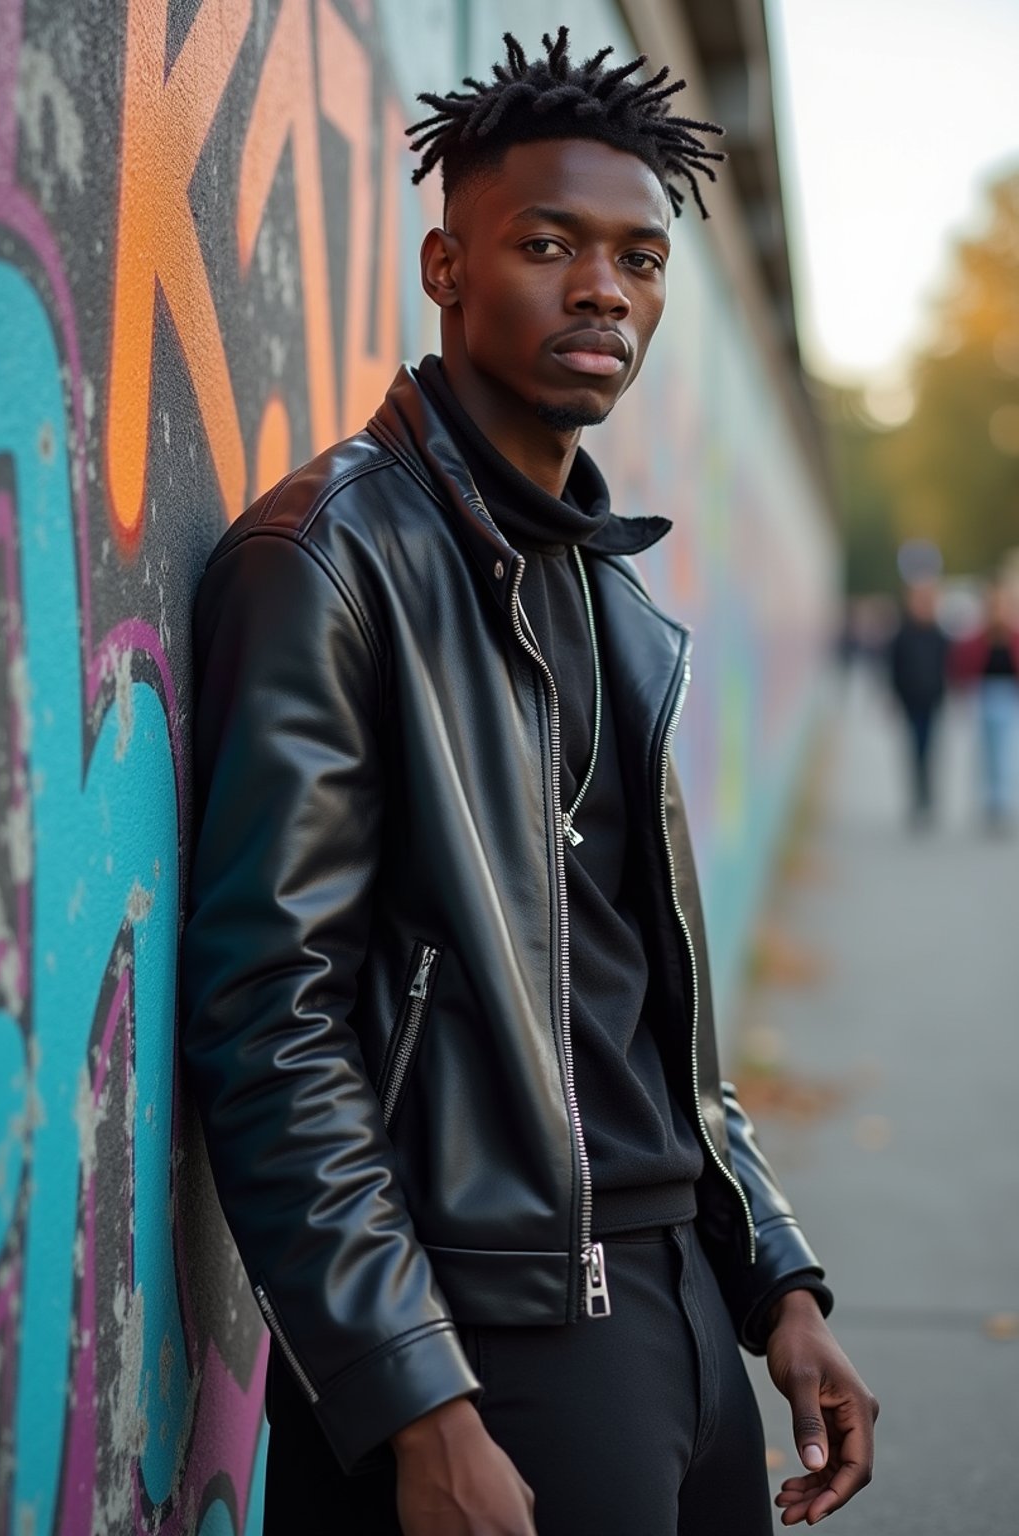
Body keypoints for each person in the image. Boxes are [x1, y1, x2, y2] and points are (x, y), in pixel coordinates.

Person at [181, 29, 877, 1536]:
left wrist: (775, 1276)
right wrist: (412, 1391)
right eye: (548, 245)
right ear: (445, 266)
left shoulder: (616, 601)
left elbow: (651, 1000)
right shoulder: (327, 563)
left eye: (639, 258)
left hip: (679, 1315)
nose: (603, 291)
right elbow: (266, 1018)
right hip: (497, 1335)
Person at [951, 580, 1019, 830]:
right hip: (984, 695)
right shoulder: (979, 638)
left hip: (1009, 697)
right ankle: (988, 800)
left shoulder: (1013, 637)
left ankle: (1002, 801)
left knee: (1006, 754)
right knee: (985, 753)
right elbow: (963, 665)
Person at [885, 580, 950, 825]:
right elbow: (894, 668)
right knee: (914, 749)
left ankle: (927, 796)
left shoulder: (939, 634)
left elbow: (947, 667)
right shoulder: (903, 634)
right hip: (910, 700)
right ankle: (917, 797)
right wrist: (894, 694)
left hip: (932, 699)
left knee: (930, 749)